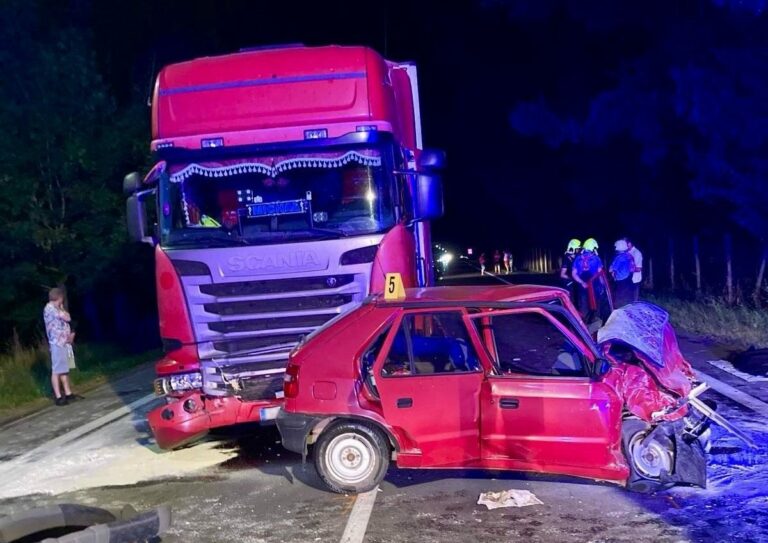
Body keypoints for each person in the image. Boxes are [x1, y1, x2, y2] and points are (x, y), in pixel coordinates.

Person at [43, 288, 76, 406]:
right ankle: (58, 396)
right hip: (57, 343)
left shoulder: (57, 308)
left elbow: (68, 319)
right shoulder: (50, 308)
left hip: (65, 342)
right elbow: (67, 317)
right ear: (60, 297)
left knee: (65, 367)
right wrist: (62, 308)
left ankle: (68, 392)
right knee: (57, 369)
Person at [572, 238, 612, 326]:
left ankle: (582, 325)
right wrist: (603, 286)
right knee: (595, 305)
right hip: (594, 286)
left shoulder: (578, 258)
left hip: (581, 286)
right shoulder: (596, 259)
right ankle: (595, 325)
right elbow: (600, 273)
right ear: (593, 248)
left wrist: (582, 282)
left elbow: (574, 274)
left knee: (583, 305)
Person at [609, 239, 636, 308]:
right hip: (629, 279)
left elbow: (612, 270)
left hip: (621, 280)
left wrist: (612, 271)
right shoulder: (629, 256)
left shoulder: (619, 258)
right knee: (628, 299)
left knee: (619, 299)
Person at [560, 239, 581, 307]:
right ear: (573, 248)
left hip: (574, 284)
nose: (578, 250)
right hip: (568, 284)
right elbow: (562, 274)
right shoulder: (567, 258)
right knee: (569, 302)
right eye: (577, 249)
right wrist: (572, 278)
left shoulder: (575, 257)